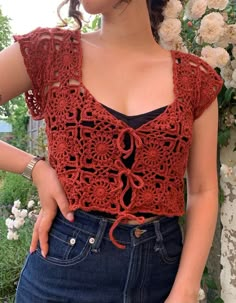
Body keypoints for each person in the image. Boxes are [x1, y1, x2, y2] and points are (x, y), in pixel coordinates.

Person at [0, 0, 224, 302]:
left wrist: (186, 289)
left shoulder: (195, 80)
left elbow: (203, 190)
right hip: (61, 273)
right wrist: (35, 168)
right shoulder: (49, 52)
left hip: (162, 276)